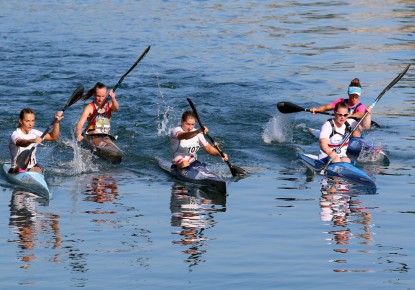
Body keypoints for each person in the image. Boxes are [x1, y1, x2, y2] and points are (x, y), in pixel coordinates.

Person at [9, 108, 64, 173]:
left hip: (33, 167)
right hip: (17, 168)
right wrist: (32, 140)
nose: (30, 124)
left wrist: (56, 123)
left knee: (37, 169)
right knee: (24, 170)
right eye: (27, 121)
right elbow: (20, 142)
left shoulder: (34, 132)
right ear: (20, 121)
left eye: (32, 120)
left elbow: (53, 137)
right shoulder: (15, 134)